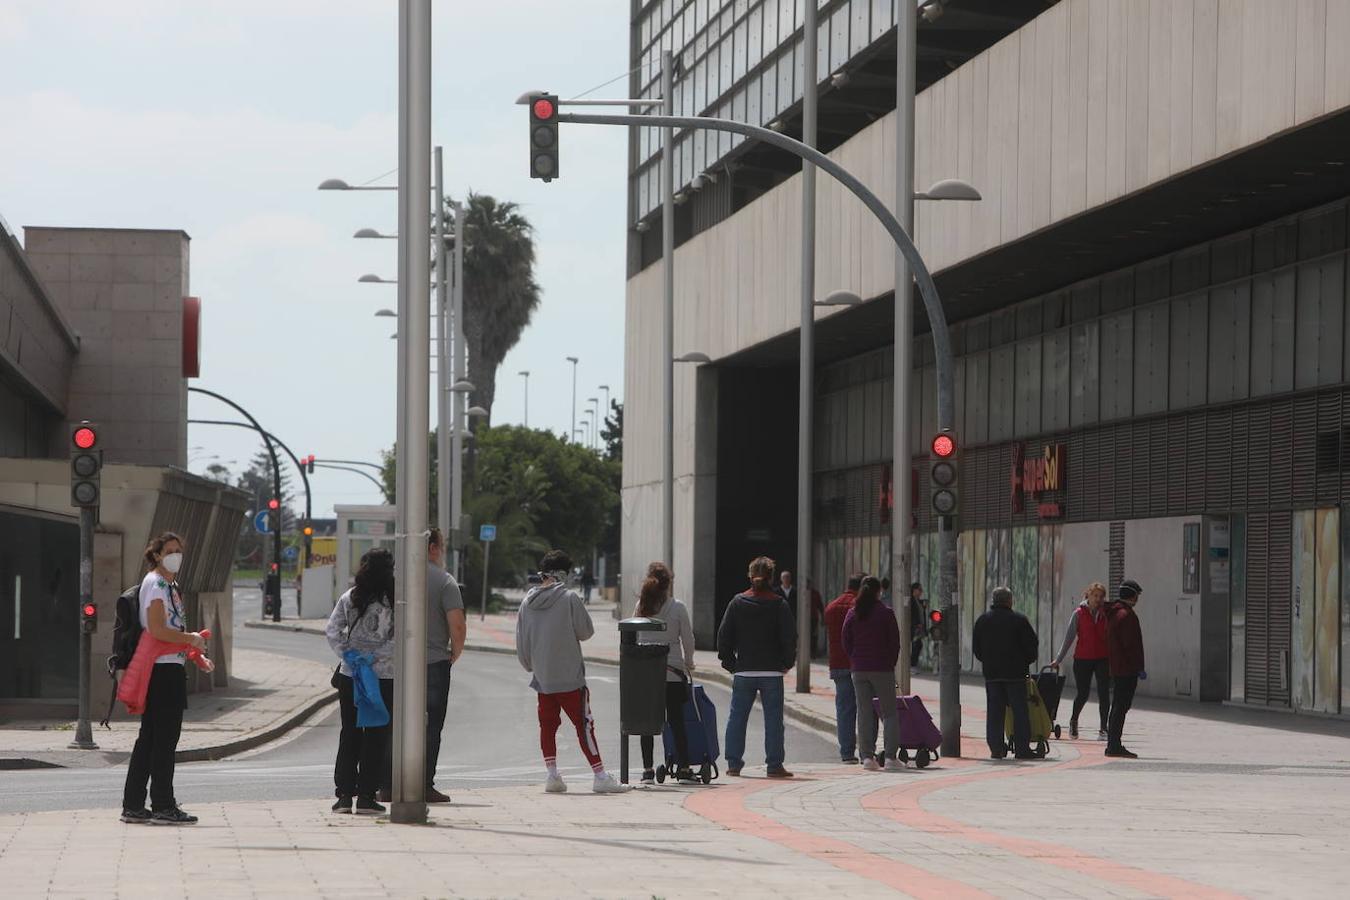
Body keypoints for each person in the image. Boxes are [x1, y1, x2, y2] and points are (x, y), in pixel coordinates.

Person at [516, 549, 628, 794]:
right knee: (584, 725)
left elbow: (521, 643)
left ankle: (553, 775)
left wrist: (532, 666)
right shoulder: (569, 599)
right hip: (570, 678)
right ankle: (599, 775)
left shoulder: (527, 603)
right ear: (563, 574)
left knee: (547, 726)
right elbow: (586, 632)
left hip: (543, 678)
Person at [120, 532, 211, 825]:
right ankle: (163, 805)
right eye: (170, 551)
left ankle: (134, 804)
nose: (176, 555)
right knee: (164, 740)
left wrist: (195, 652)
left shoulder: (169, 585)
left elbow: (170, 633)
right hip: (162, 670)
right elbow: (158, 631)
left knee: (150, 739)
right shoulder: (157, 584)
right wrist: (192, 638)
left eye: (179, 551)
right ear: (157, 555)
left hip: (168, 665)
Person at [326, 548, 396, 815]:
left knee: (350, 733)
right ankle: (367, 795)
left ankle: (344, 795)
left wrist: (351, 656)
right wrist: (375, 657)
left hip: (351, 675)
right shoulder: (394, 601)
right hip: (383, 676)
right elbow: (399, 637)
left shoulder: (350, 597)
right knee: (377, 735)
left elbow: (332, 630)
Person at [718, 556, 796, 778]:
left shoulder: (737, 602)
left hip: (744, 670)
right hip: (772, 671)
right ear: (771, 577)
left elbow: (724, 636)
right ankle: (774, 765)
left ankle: (733, 764)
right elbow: (789, 638)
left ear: (750, 576)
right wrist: (786, 663)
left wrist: (730, 663)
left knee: (737, 718)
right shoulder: (779, 604)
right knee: (773, 721)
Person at [635, 562, 697, 784]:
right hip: (672, 674)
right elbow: (688, 639)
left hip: (646, 674)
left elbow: (631, 638)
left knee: (647, 723)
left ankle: (648, 771)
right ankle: (683, 767)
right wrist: (688, 662)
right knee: (677, 721)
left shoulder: (640, 607)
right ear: (669, 583)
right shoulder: (677, 607)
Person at [842, 576, 903, 771]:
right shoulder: (886, 613)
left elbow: (846, 640)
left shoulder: (853, 613)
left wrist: (855, 659)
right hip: (882, 668)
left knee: (864, 712)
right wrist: (890, 663)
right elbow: (895, 643)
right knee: (889, 713)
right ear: (879, 592)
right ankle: (892, 758)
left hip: (859, 670)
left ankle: (867, 757)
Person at [972, 586, 1039, 760]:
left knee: (995, 712)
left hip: (992, 675)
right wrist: (1026, 662)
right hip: (1015, 674)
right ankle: (1022, 749)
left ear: (993, 601)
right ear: (1010, 601)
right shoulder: (1019, 620)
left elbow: (977, 650)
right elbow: (1032, 646)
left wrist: (988, 661)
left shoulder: (982, 621)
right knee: (1020, 711)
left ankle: (996, 748)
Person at [424, 528, 466, 803]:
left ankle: (388, 783)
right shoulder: (444, 581)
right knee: (431, 726)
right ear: (432, 548)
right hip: (434, 664)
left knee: (393, 724)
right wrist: (455, 652)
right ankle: (424, 783)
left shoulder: (396, 577)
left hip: (395, 666)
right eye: (441, 546)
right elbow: (457, 625)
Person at [1049, 581, 1111, 740]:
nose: (1098, 599)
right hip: (1083, 659)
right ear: (1088, 595)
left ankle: (1104, 728)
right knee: (1083, 693)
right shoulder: (1079, 613)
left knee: (1104, 693)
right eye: (1095, 595)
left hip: (1102, 658)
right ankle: (1074, 720)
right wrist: (1058, 659)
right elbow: (1069, 638)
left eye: (1101, 597)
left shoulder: (1106, 614)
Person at [1104, 579, 1145, 759]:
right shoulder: (1127, 616)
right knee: (1121, 706)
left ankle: (1112, 743)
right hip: (1126, 669)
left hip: (1116, 666)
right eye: (1137, 595)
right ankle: (1114, 745)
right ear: (1133, 595)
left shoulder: (1113, 613)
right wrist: (1138, 667)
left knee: (1117, 706)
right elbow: (1131, 645)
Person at [824, 573, 863, 763]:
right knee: (865, 708)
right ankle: (866, 752)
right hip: (860, 664)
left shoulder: (831, 607)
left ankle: (847, 753)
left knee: (844, 709)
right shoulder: (860, 607)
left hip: (838, 664)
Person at [907, 582, 927, 671]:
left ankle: (913, 664)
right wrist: (916, 624)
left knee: (918, 645)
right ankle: (912, 665)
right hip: (914, 627)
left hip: (919, 627)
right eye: (919, 590)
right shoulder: (911, 600)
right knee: (916, 644)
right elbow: (912, 614)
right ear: (914, 590)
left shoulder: (918, 601)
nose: (921, 592)